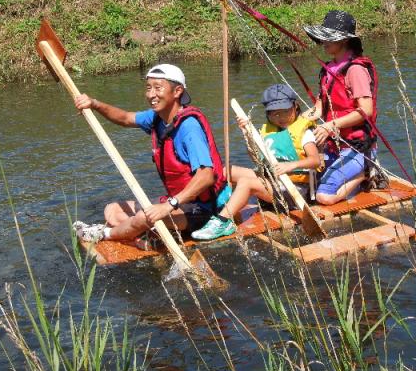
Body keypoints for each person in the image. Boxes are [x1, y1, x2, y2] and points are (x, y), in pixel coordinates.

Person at [72, 63, 229, 248]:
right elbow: (125, 118)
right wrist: (95, 104)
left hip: (202, 210)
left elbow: (206, 176)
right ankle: (146, 236)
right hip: (177, 204)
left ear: (177, 91)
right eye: (148, 88)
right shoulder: (157, 118)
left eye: (158, 88)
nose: (151, 94)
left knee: (142, 218)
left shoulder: (189, 127)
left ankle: (102, 234)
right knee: (112, 210)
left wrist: (169, 205)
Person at [190, 84, 321, 241]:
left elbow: (315, 160)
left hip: (294, 190)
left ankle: (223, 222)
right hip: (272, 180)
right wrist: (247, 134)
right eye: (274, 114)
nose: (280, 117)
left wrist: (290, 166)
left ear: (295, 106)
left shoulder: (304, 133)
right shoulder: (269, 131)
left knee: (246, 183)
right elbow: (256, 159)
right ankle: (215, 207)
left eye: (285, 111)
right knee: (226, 171)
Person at [302, 10, 378, 205]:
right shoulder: (328, 69)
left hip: (357, 148)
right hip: (334, 145)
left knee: (323, 196)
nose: (323, 42)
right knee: (307, 186)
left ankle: (366, 171)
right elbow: (319, 109)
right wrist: (294, 123)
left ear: (344, 40)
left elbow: (366, 110)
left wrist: (330, 125)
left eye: (329, 38)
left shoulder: (355, 70)